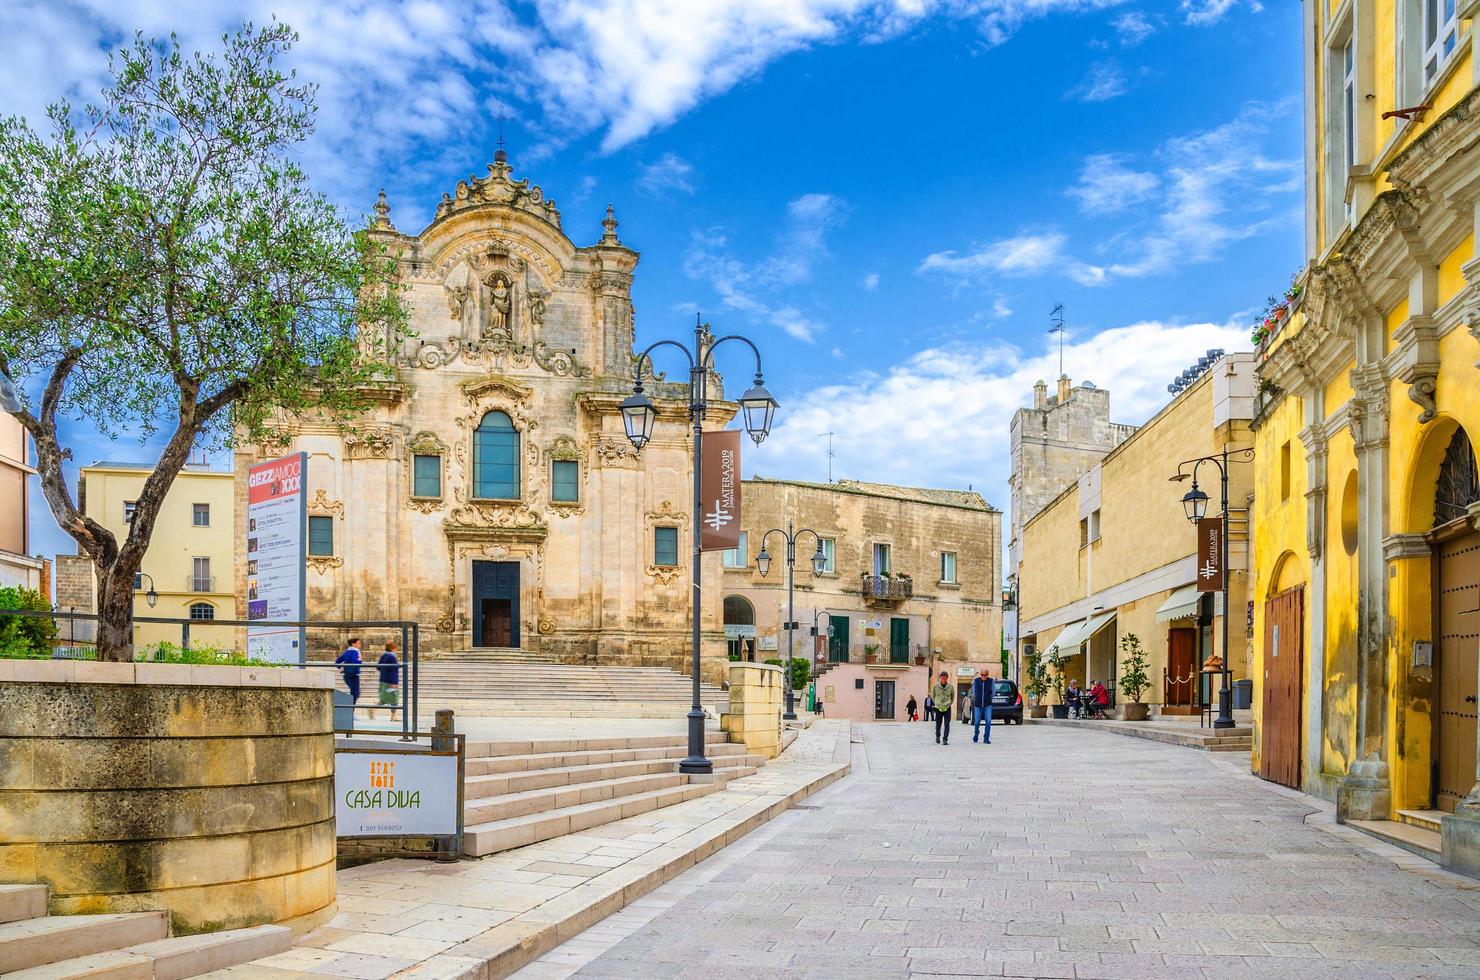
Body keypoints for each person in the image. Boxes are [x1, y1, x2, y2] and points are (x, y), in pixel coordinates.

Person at [335, 637, 363, 713]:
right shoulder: (355, 652)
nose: (360, 645)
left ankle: (350, 709)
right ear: (353, 644)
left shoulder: (347, 652)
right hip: (354, 675)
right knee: (355, 693)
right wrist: (360, 660)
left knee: (354, 693)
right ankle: (350, 710)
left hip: (347, 675)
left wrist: (341, 667)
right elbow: (355, 662)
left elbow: (337, 661)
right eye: (358, 643)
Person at [375, 641, 401, 722]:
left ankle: (372, 708)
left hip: (383, 680)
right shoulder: (392, 657)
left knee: (384, 700)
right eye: (396, 649)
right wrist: (394, 683)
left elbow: (378, 667)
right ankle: (393, 716)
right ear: (393, 649)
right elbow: (393, 670)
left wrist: (384, 672)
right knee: (395, 698)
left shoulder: (383, 656)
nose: (396, 650)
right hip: (390, 681)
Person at [971, 668, 994, 744]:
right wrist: (976, 697)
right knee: (977, 721)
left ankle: (986, 738)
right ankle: (976, 734)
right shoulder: (976, 681)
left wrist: (989, 698)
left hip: (988, 704)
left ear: (988, 675)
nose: (983, 676)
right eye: (982, 675)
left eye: (985, 675)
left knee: (988, 721)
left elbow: (993, 691)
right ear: (980, 674)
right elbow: (974, 691)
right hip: (978, 704)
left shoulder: (991, 681)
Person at [931, 671, 954, 745]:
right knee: (938, 724)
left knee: (947, 724)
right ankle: (937, 736)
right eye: (942, 678)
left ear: (947, 678)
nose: (943, 680)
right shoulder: (935, 686)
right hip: (938, 707)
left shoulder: (950, 687)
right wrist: (936, 703)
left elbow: (952, 696)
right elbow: (933, 695)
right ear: (940, 678)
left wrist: (949, 703)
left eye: (945, 678)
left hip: (947, 707)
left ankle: (945, 739)